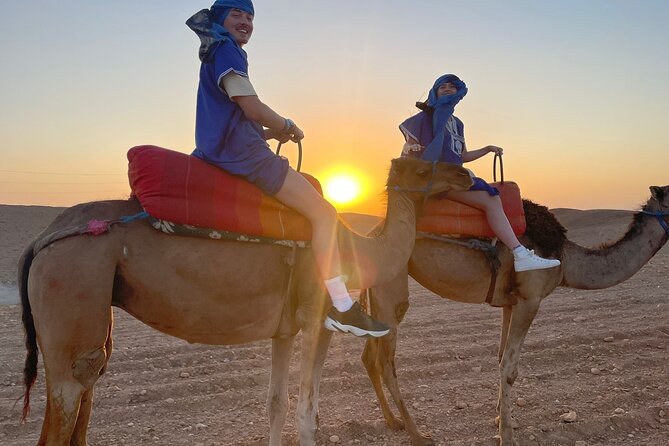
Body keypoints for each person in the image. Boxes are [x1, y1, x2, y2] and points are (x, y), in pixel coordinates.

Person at [186, 1, 389, 336]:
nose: (246, 21)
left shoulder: (216, 50)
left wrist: (272, 131)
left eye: (250, 16)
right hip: (246, 156)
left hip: (224, 149)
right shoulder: (226, 49)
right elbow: (251, 108)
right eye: (237, 14)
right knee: (324, 213)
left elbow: (235, 119)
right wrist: (288, 124)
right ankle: (341, 306)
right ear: (221, 18)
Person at [399, 73, 561, 272]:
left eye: (452, 87)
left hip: (454, 175)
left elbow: (462, 156)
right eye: (443, 87)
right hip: (435, 178)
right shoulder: (422, 119)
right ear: (435, 92)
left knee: (490, 192)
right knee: (490, 200)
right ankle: (519, 253)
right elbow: (408, 147)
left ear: (458, 92)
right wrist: (410, 148)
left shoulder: (457, 123)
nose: (448, 89)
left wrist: (487, 149)